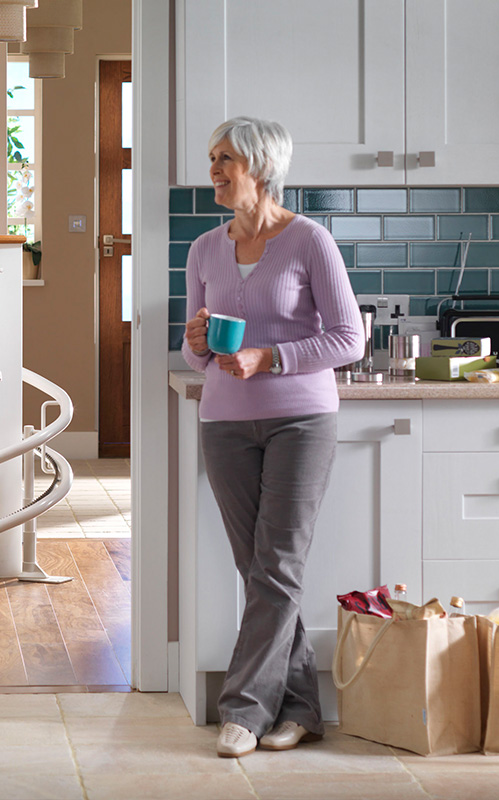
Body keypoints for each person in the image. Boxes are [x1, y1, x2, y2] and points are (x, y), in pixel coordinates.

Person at [182, 117, 364, 758]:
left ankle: (243, 711)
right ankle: (302, 710)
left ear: (259, 165)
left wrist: (270, 357)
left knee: (278, 566)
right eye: (211, 157)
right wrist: (199, 344)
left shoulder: (310, 241)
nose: (213, 169)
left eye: (224, 158)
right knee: (260, 571)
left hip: (301, 420)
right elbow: (192, 345)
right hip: (225, 422)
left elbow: (350, 339)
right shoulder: (204, 249)